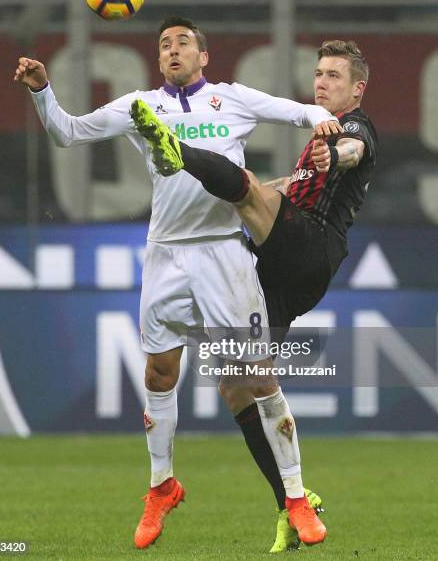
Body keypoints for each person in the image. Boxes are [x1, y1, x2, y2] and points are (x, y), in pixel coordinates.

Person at [13, 16, 339, 552]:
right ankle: (162, 486)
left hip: (223, 252)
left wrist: (324, 119)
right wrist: (43, 91)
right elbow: (67, 133)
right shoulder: (141, 106)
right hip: (166, 253)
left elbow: (298, 110)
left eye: (182, 42)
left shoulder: (230, 99)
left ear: (203, 56)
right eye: (164, 44)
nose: (172, 50)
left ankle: (298, 497)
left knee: (256, 377)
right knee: (160, 373)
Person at [131, 39, 377, 552]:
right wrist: (283, 181)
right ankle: (289, 503)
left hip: (311, 244)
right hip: (283, 269)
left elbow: (352, 153)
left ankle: (179, 151)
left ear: (357, 88)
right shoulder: (315, 136)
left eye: (335, 76)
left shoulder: (353, 128)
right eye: (319, 74)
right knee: (238, 383)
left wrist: (337, 156)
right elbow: (291, 185)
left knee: (243, 190)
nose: (322, 83)